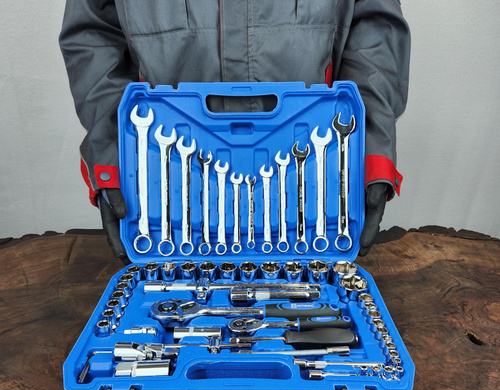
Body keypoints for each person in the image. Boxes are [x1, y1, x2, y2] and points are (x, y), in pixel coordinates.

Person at [59, 0, 410, 262]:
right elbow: (93, 35)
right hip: (171, 213)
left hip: (313, 202)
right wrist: (115, 149)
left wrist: (369, 144)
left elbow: (374, 30)